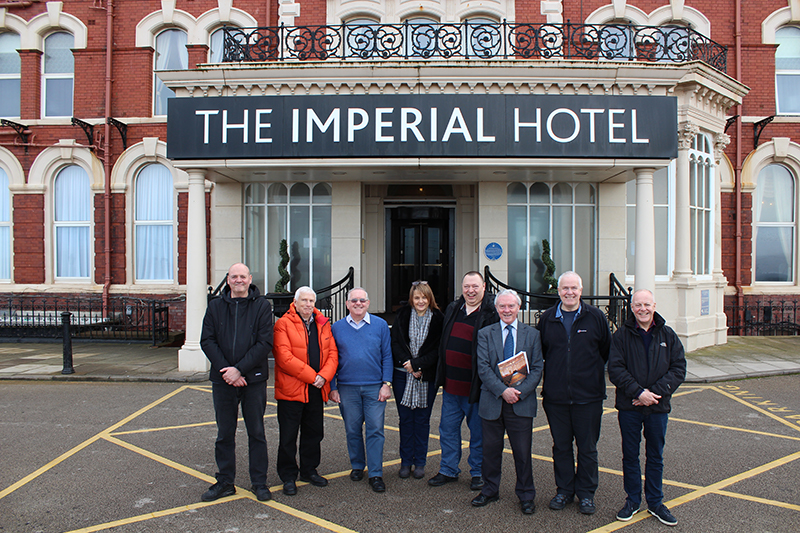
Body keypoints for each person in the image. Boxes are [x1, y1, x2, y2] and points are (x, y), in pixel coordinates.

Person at [608, 289, 686, 526]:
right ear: (631, 308)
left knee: (655, 456)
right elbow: (616, 369)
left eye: (647, 304)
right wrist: (638, 393)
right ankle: (632, 500)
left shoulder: (668, 334)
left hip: (657, 408)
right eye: (638, 305)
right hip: (629, 406)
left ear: (654, 305)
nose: (642, 309)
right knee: (630, 455)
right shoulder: (621, 336)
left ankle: (655, 502)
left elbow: (678, 368)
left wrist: (653, 395)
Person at [537, 271, 611, 515]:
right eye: (565, 288)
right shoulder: (547, 318)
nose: (569, 292)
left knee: (587, 447)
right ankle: (564, 491)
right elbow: (542, 353)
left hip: (588, 397)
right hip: (556, 397)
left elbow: (605, 351)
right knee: (561, 446)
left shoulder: (596, 317)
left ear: (581, 290)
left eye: (574, 288)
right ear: (558, 291)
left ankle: (587, 494)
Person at [200, 263, 274, 502]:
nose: (239, 280)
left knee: (257, 432)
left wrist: (240, 369)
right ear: (228, 280)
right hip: (223, 381)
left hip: (253, 380)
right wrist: (228, 372)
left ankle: (259, 482)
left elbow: (265, 343)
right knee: (224, 433)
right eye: (234, 276)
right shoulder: (215, 307)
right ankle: (224, 481)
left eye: (243, 276)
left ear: (250, 279)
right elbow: (207, 341)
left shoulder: (262, 306)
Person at [472, 290, 543, 515]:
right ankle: (490, 490)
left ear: (518, 307)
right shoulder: (485, 333)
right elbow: (482, 367)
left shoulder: (532, 334)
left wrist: (518, 392)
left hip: (521, 402)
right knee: (490, 451)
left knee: (522, 453)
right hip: (493, 401)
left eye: (511, 306)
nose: (506, 311)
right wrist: (503, 391)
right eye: (502, 307)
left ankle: (526, 494)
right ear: (497, 309)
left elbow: (538, 368)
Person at [429, 271, 499, 491]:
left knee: (478, 434)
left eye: (475, 286)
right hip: (451, 386)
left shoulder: (491, 312)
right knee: (447, 430)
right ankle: (448, 470)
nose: (471, 291)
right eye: (467, 286)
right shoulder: (453, 308)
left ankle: (478, 472)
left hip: (476, 388)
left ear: (484, 287)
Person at [273, 286, 339, 497]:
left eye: (312, 301)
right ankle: (288, 476)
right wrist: (314, 377)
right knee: (288, 435)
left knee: (314, 433)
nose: (309, 304)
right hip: (292, 390)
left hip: (316, 390)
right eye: (304, 301)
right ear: (295, 302)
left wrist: (324, 376)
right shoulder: (283, 324)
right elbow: (284, 359)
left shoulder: (323, 324)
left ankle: (309, 470)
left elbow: (333, 354)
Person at [329, 288, 393, 493]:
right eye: (353, 300)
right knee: (352, 430)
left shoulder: (381, 325)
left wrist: (386, 383)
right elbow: (331, 359)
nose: (358, 303)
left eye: (362, 300)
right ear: (347, 304)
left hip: (375, 387)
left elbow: (387, 356)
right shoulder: (336, 328)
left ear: (368, 303)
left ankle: (375, 473)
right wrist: (332, 387)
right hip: (347, 387)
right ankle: (357, 466)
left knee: (375, 430)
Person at [391, 280, 444, 480]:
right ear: (411, 300)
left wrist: (418, 365)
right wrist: (408, 364)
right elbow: (395, 341)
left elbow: (438, 349)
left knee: (422, 421)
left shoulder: (439, 318)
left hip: (425, 377)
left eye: (424, 297)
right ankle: (406, 462)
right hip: (402, 375)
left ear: (429, 298)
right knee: (405, 420)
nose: (421, 301)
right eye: (417, 297)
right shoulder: (402, 314)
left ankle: (420, 462)